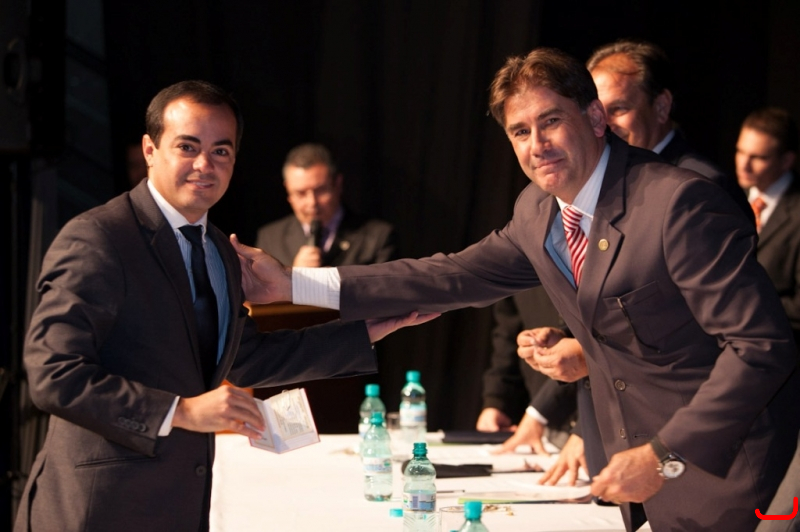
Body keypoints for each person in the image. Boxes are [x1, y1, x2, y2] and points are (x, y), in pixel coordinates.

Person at [233, 47, 800, 532]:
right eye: (520, 131)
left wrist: (663, 456)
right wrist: (296, 284)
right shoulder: (538, 211)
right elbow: (446, 276)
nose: (538, 144)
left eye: (551, 121)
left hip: (734, 478)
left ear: (595, 117)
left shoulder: (678, 203)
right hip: (644, 483)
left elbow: (761, 347)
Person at [13, 80, 432, 532]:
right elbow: (53, 373)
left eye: (220, 151)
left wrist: (364, 332)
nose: (204, 164)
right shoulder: (99, 237)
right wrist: (182, 411)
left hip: (181, 504)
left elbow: (248, 358)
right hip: (97, 509)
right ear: (150, 150)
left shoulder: (219, 249)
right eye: (187, 147)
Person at [587, 38, 754, 223]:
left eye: (618, 108)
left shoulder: (702, 186)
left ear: (662, 106)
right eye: (596, 112)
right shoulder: (595, 179)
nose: (604, 123)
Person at [734, 106, 800, 532]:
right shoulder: (726, 200)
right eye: (741, 151)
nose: (744, 164)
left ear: (786, 160)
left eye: (758, 156)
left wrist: (744, 313)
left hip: (784, 376)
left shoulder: (797, 213)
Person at [255, 142, 397, 267]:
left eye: (320, 190)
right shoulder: (270, 238)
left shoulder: (379, 237)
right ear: (288, 191)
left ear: (338, 184)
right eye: (301, 193)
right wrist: (293, 276)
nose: (312, 202)